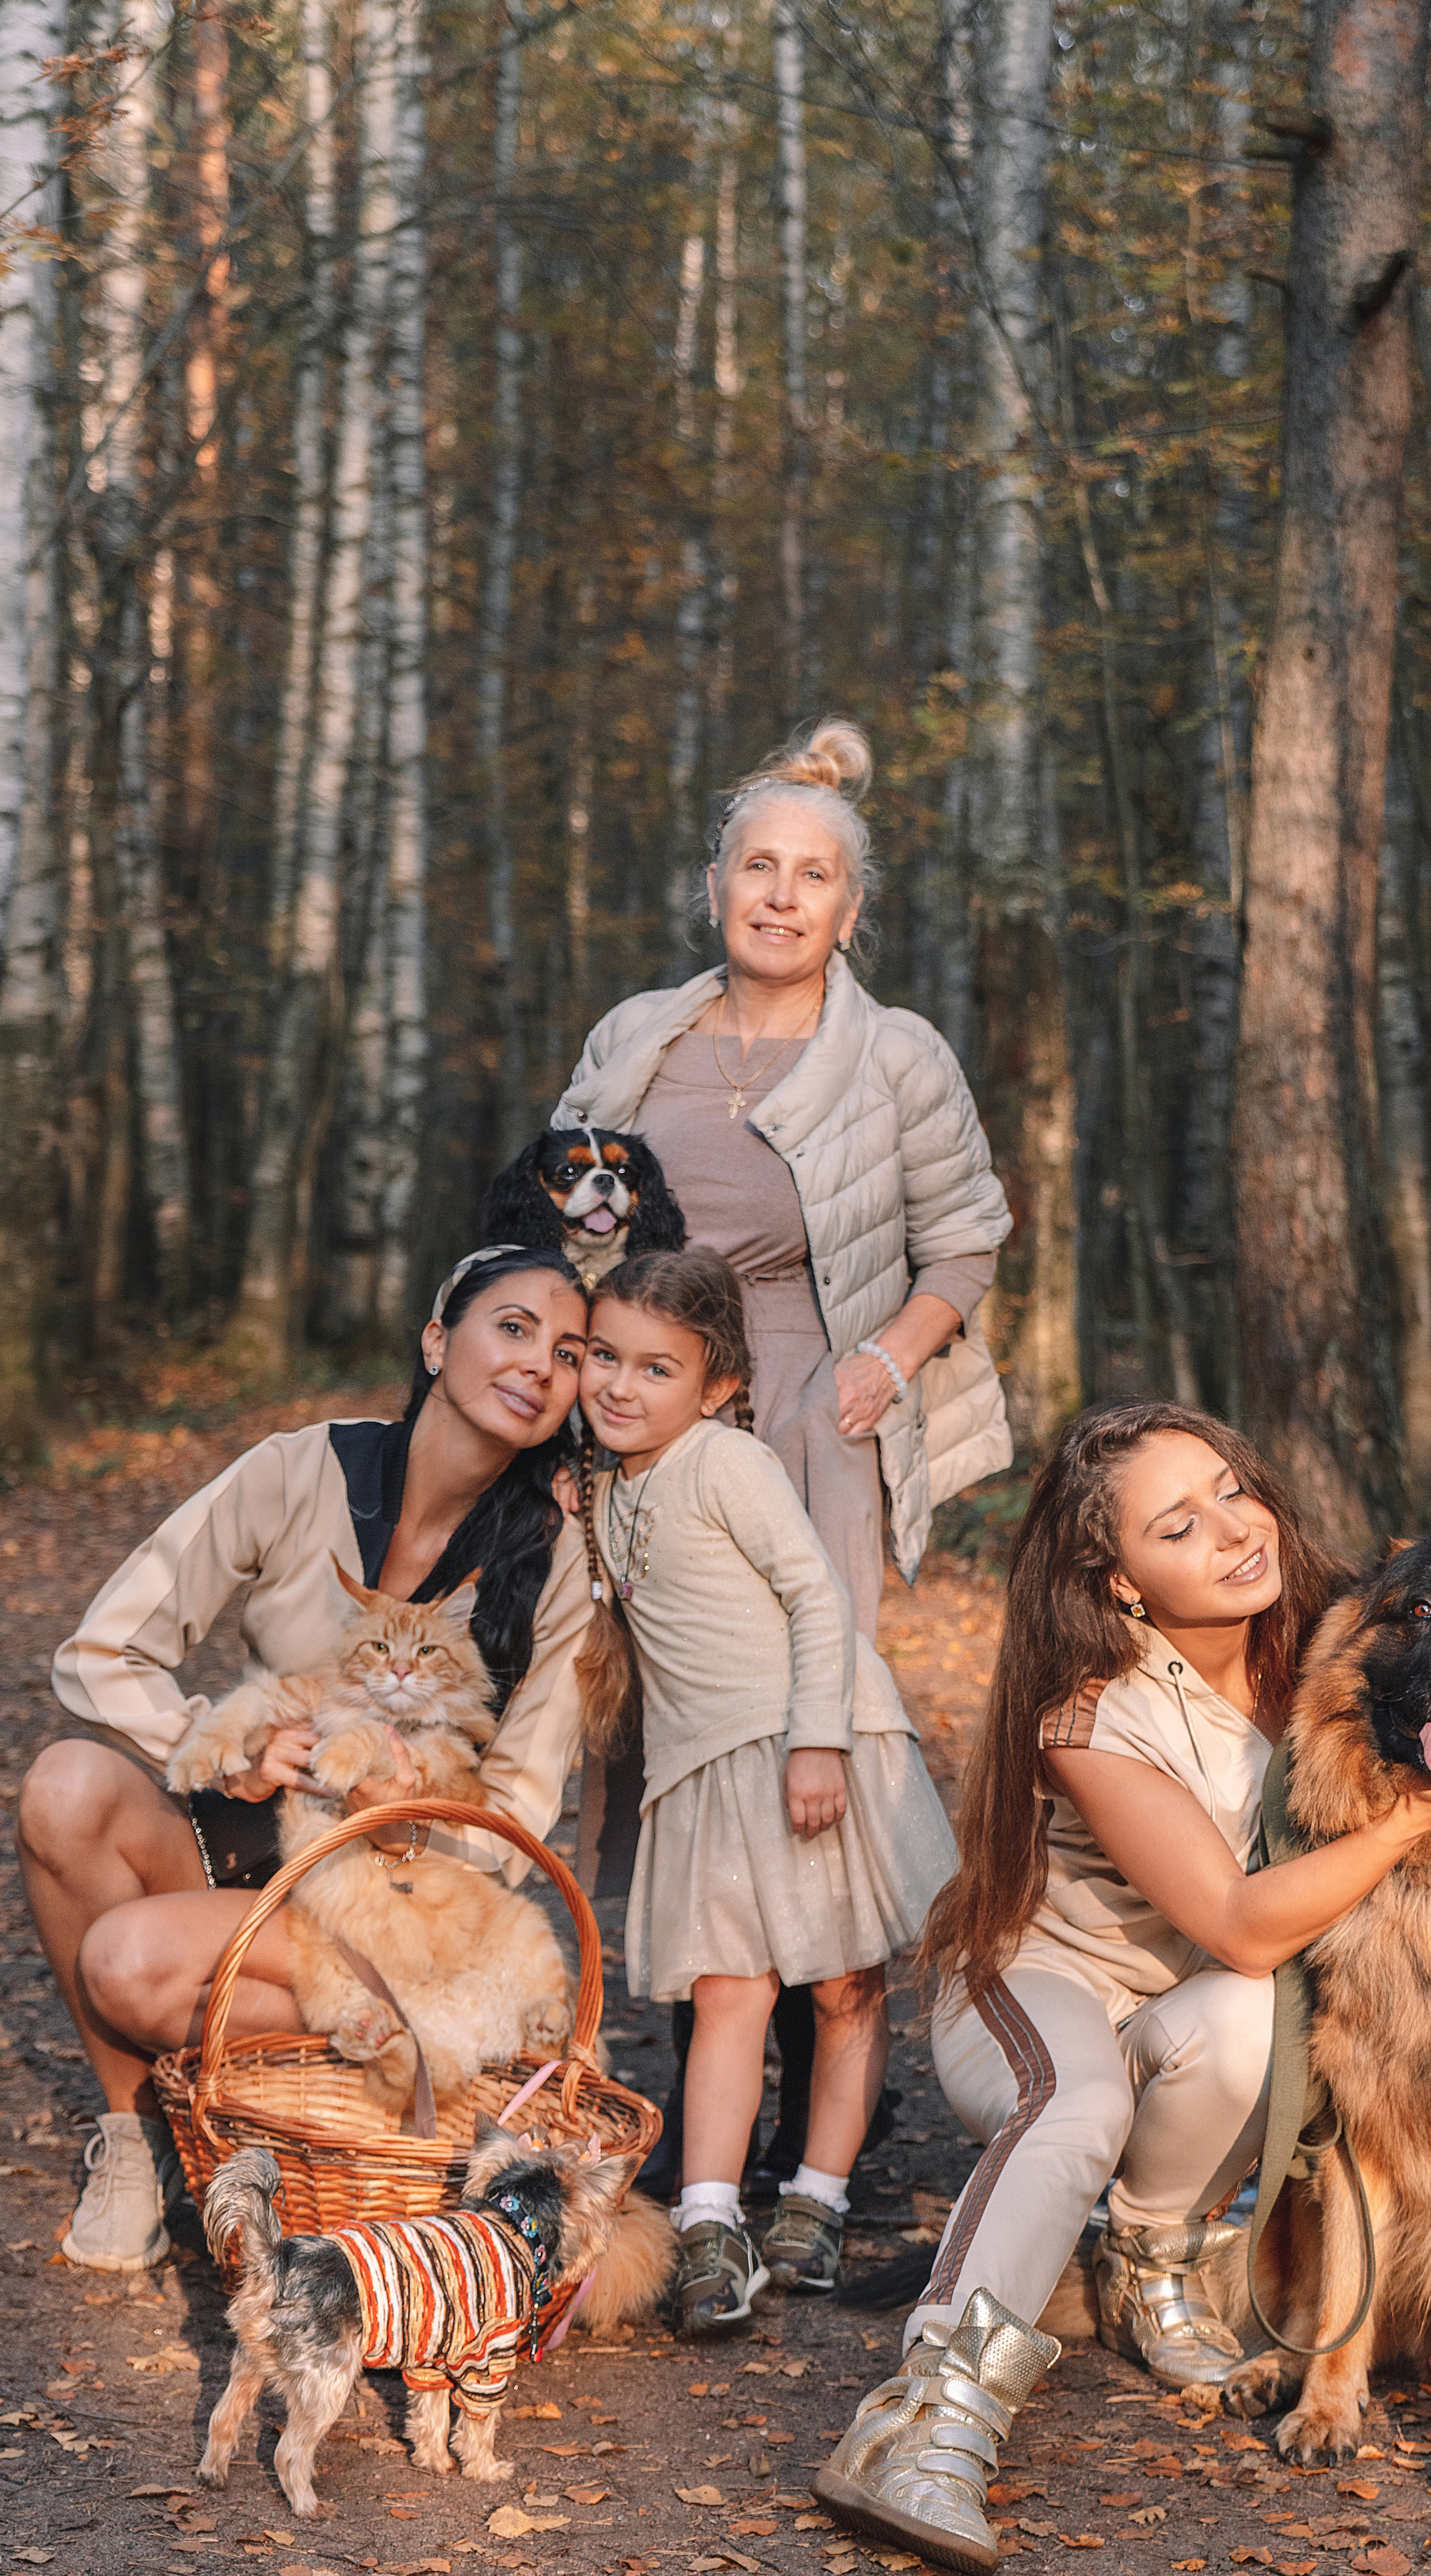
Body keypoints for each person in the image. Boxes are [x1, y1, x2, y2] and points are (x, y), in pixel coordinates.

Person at [812, 1403, 1431, 2572]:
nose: (1233, 1531)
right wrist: (1427, 1811)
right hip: (1039, 1984)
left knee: (1255, 2024)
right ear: (1118, 1581)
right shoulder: (1088, 1713)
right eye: (1178, 1525)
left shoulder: (1328, 1640)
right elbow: (1242, 1923)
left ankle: (1150, 2265)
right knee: (1084, 2097)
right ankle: (927, 2420)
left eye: (1232, 1490)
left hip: (1194, 1997)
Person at [553, 715, 1010, 2191]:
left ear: (847, 909)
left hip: (816, 1399)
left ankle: (829, 2087)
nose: (779, 895)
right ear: (715, 887)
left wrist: (886, 1357)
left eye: (811, 876)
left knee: (815, 1718)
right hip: (645, 1398)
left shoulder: (892, 1053)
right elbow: (561, 1211)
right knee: (660, 1727)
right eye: (757, 866)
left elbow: (967, 1238)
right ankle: (698, 2080)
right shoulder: (640, 1034)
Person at [17, 1247, 595, 2274]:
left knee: (126, 1968)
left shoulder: (554, 1559)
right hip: (238, 1841)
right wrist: (220, 1741)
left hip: (388, 1899)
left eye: (568, 1351)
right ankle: (136, 2148)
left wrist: (404, 1801)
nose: (539, 1365)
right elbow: (103, 1647)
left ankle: (402, 2036)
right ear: (435, 1339)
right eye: (511, 1328)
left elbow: (517, 1819)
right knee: (64, 1789)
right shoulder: (302, 1467)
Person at [573, 1246, 958, 2330]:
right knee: (728, 1990)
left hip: (807, 1741)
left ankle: (817, 2199)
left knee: (843, 1983)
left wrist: (819, 1744)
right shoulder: (606, 1491)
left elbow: (815, 1597)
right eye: (605, 1357)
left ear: (719, 1388)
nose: (620, 1385)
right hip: (706, 1775)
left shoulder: (723, 1465)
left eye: (657, 1368)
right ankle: (708, 2219)